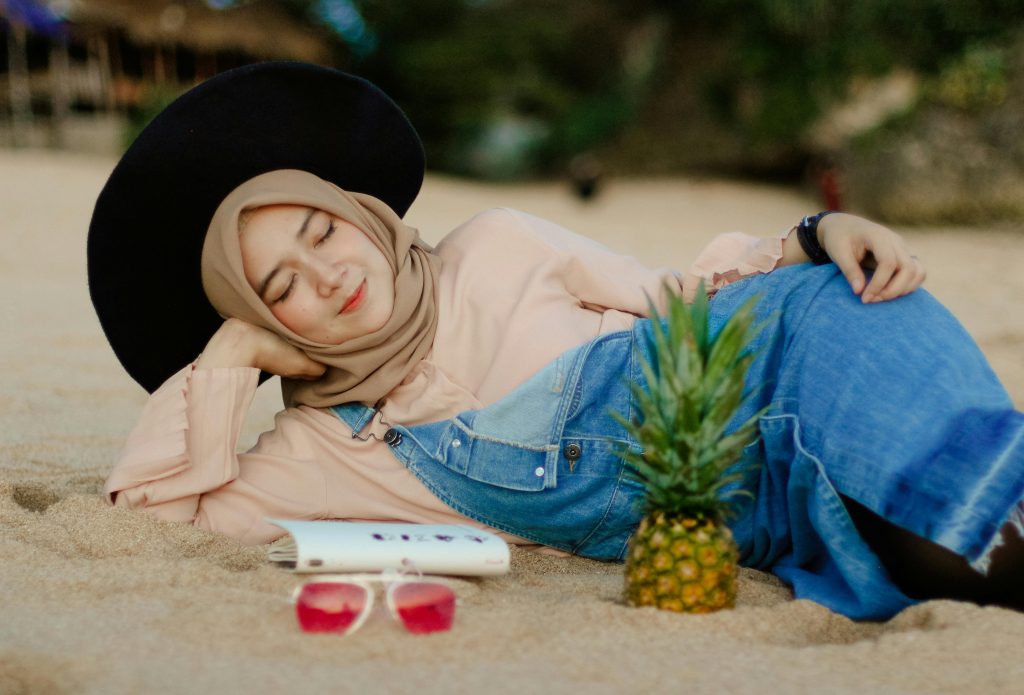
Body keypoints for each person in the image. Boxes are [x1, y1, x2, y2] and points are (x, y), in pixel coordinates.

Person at [90, 63, 1023, 622]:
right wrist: (229, 360)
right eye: (279, 286)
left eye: (321, 232)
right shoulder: (323, 445)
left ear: (361, 216)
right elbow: (145, 522)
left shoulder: (497, 243)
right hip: (731, 512)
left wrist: (813, 237)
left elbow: (677, 298)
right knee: (921, 534)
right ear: (266, 318)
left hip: (743, 363)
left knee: (852, 308)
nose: (325, 275)